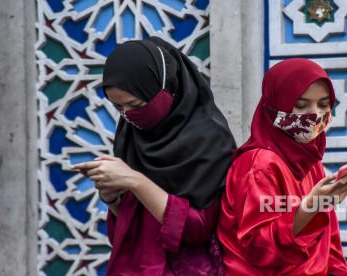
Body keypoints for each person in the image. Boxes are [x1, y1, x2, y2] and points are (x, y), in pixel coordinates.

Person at [72, 37, 236, 275]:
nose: (128, 115)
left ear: (167, 88)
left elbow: (197, 229)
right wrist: (112, 198)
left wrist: (135, 181)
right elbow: (132, 227)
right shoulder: (133, 135)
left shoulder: (210, 141)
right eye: (119, 108)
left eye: (136, 104)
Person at [217, 58, 347, 275]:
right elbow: (260, 249)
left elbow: (329, 243)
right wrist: (310, 207)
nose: (315, 115)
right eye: (301, 105)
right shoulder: (259, 165)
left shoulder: (310, 161)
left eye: (323, 104)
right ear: (276, 105)